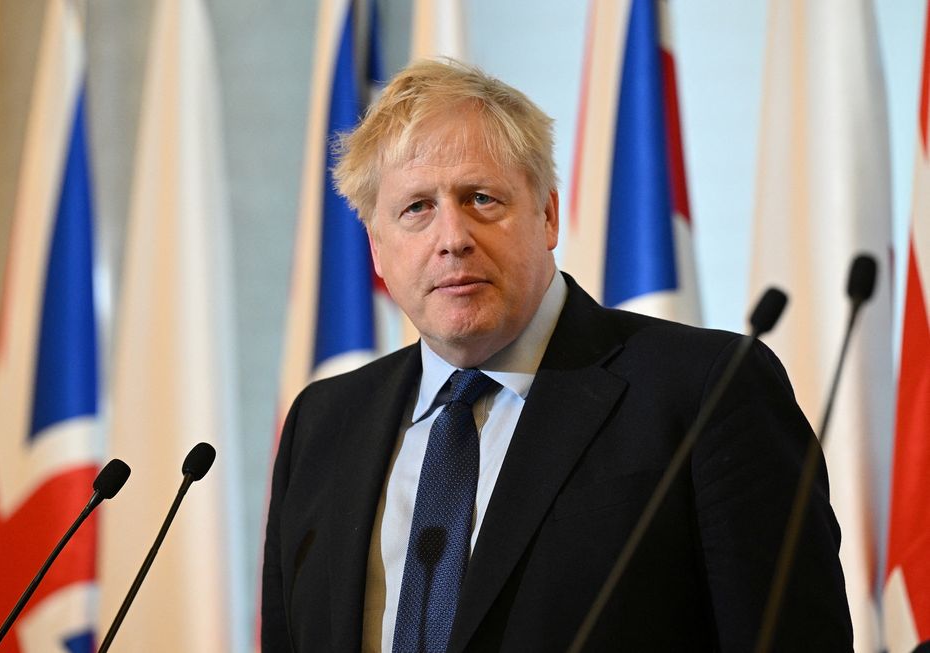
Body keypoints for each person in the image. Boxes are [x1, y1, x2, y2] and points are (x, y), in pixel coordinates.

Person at [262, 59, 852, 652]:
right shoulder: (323, 422)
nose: (452, 238)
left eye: (481, 198)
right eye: (416, 208)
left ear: (547, 215)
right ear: (377, 249)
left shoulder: (707, 392)